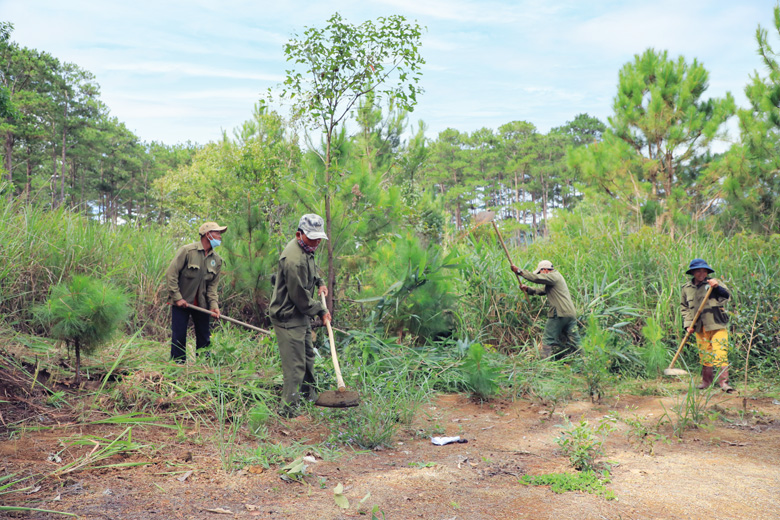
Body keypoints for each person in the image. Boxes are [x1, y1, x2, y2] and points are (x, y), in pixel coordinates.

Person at [269, 214, 331, 418]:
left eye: (319, 238)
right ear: (299, 234)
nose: (317, 243)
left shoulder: (307, 248)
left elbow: (311, 273)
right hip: (288, 315)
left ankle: (308, 398)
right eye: (312, 238)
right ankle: (288, 411)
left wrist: (320, 281)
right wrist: (321, 310)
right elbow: (301, 298)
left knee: (308, 357)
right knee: (295, 365)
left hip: (300, 315)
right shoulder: (294, 259)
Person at [165, 221, 226, 363]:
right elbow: (171, 274)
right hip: (182, 302)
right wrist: (178, 297)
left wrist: (214, 306)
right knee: (179, 336)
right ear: (207, 234)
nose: (220, 237)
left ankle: (204, 366)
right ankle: (177, 367)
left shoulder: (216, 260)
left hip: (202, 305)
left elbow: (212, 287)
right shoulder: (187, 251)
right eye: (217, 233)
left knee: (204, 336)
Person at [680, 258, 733, 393]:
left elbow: (727, 296)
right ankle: (706, 382)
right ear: (692, 272)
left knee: (720, 352)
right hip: (699, 327)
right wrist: (687, 325)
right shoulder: (686, 289)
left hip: (717, 324)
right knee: (705, 355)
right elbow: (684, 308)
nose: (702, 274)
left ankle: (724, 383)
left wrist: (717, 287)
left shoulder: (714, 283)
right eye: (698, 271)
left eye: (704, 271)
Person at [511, 260, 580, 359]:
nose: (540, 274)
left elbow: (536, 278)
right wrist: (527, 289)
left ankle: (544, 363)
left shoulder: (554, 276)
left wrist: (519, 271)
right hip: (570, 314)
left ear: (545, 270)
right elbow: (542, 290)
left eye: (540, 272)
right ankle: (585, 361)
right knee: (575, 340)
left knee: (548, 339)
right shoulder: (556, 279)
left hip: (559, 313)